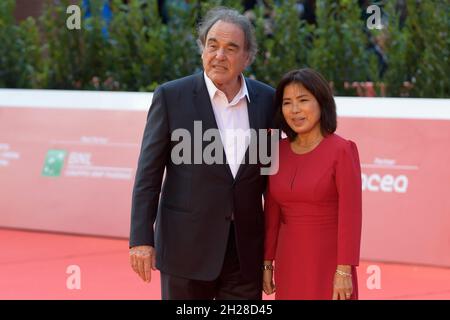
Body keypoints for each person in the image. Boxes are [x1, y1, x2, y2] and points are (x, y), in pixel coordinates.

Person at [129, 7, 276, 300]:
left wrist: (270, 252)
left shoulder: (267, 100)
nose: (219, 55)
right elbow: (148, 174)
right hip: (186, 249)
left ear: (247, 57)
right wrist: (141, 239)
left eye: (231, 48)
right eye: (213, 45)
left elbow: (269, 180)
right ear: (202, 49)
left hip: (244, 255)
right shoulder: (171, 97)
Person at [262, 68, 362, 300]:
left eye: (303, 100)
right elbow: (272, 213)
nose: (295, 110)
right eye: (287, 103)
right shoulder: (276, 150)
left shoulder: (342, 150)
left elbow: (351, 216)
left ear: (321, 102)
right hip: (289, 258)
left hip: (328, 261)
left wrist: (344, 270)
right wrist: (267, 264)